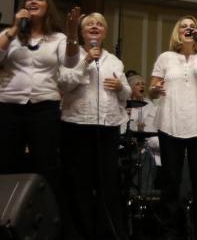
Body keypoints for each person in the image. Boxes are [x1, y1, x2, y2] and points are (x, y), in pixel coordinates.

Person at [0, 0, 80, 220]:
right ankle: (6, 217)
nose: (33, 1)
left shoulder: (57, 38)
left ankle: (42, 220)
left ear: (48, 7)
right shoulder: (10, 34)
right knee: (6, 163)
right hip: (8, 107)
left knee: (44, 165)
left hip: (44, 108)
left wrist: (73, 32)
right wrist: (15, 27)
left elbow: (71, 61)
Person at [59, 12, 131, 239]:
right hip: (77, 125)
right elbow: (64, 84)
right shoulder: (71, 54)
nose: (95, 26)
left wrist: (121, 86)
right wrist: (86, 60)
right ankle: (79, 233)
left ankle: (106, 233)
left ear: (105, 32)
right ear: (81, 31)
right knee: (78, 185)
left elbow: (127, 95)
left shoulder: (115, 61)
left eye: (100, 24)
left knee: (107, 184)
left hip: (107, 127)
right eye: (89, 23)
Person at [149, 16, 197, 240]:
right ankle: (171, 231)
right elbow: (151, 90)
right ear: (177, 33)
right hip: (171, 121)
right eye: (184, 27)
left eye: (193, 27)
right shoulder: (166, 58)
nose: (188, 29)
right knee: (171, 180)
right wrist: (155, 90)